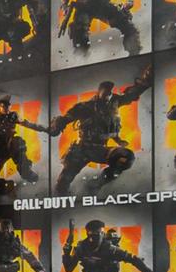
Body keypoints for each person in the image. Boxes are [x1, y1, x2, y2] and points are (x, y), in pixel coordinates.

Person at [50, 63, 151, 193]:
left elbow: (130, 95)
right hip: (82, 149)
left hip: (100, 150)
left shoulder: (114, 102)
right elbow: (68, 117)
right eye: (106, 94)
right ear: (99, 94)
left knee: (125, 157)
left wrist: (145, 81)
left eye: (110, 94)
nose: (108, 98)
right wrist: (59, 123)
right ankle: (62, 198)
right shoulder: (86, 107)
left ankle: (95, 185)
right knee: (62, 185)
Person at [0, 93, 50, 192]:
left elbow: (28, 124)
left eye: (8, 106)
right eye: (4, 106)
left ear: (10, 106)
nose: (6, 108)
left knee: (26, 172)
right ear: (0, 106)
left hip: (12, 145)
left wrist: (45, 129)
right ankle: (7, 189)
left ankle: (38, 181)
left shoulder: (13, 116)